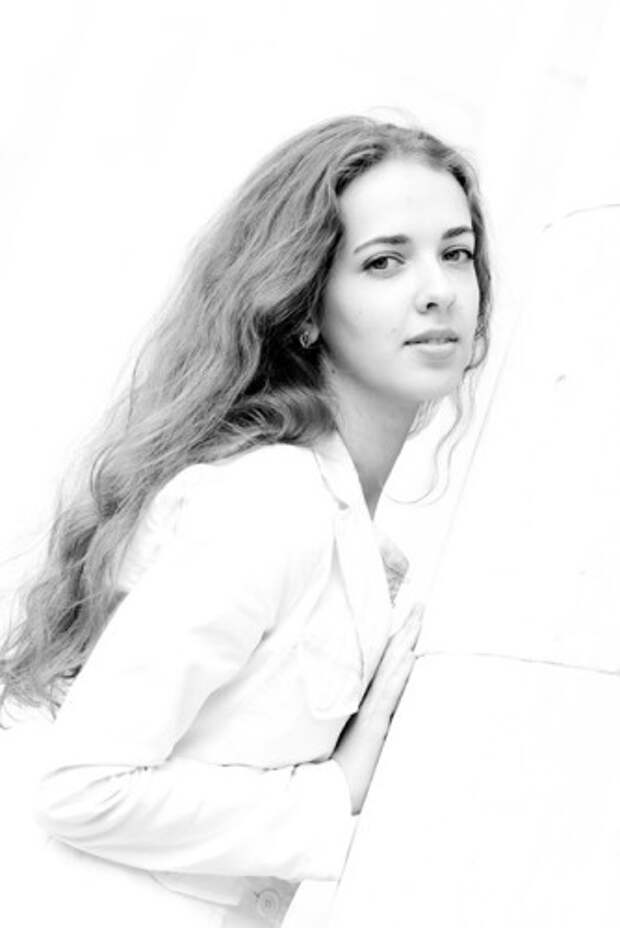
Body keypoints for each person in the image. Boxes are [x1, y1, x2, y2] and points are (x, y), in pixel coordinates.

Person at [0, 114, 492, 927]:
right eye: (384, 261)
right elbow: (81, 789)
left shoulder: (351, 537)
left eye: (457, 252)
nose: (438, 289)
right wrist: (335, 793)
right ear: (304, 305)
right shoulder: (269, 502)